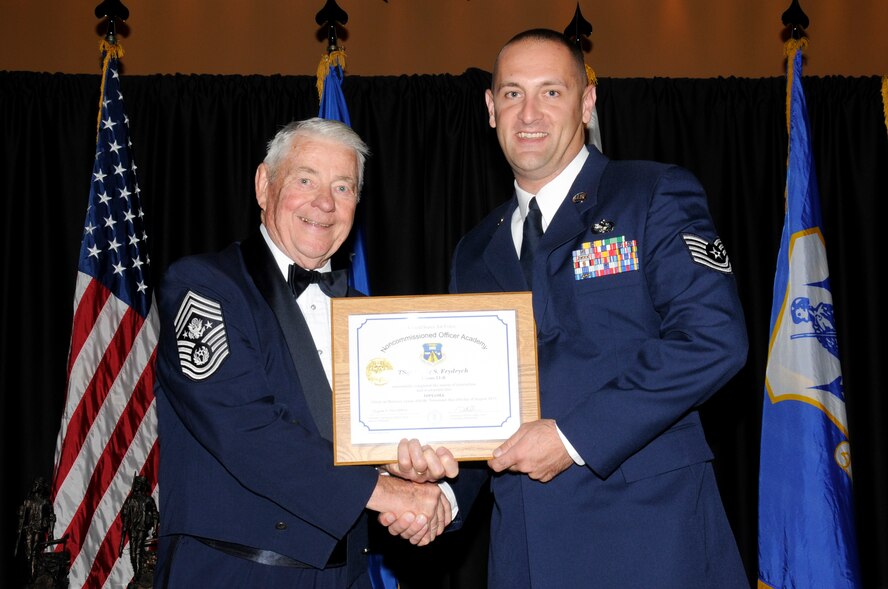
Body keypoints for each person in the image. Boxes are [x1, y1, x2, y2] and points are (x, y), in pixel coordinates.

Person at [448, 29, 750, 587]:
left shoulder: (651, 194)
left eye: (551, 92)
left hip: (651, 542)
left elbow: (713, 339)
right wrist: (440, 496)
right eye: (512, 94)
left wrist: (572, 438)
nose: (529, 113)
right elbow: (476, 404)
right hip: (523, 553)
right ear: (490, 109)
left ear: (586, 102)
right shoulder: (475, 249)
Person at [154, 117, 463, 588]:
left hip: (349, 575)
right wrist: (388, 493)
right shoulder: (205, 287)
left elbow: (403, 433)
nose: (324, 203)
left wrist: (428, 483)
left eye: (343, 187)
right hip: (235, 574)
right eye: (305, 180)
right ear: (264, 185)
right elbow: (245, 429)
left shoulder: (372, 321)